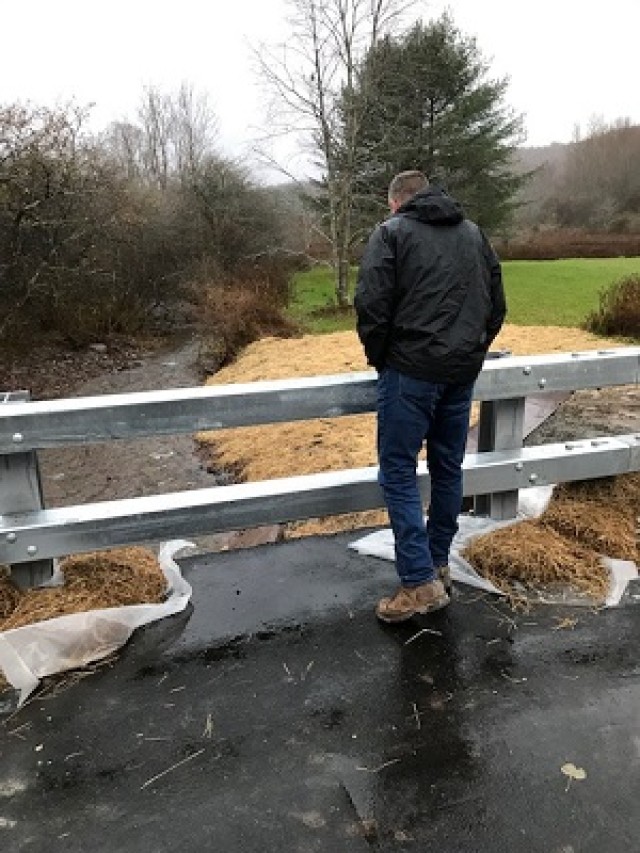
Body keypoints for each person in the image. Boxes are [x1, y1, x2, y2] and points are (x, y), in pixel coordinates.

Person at [354, 170, 506, 623]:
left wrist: (384, 358)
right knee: (446, 467)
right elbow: (496, 305)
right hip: (459, 373)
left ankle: (419, 582)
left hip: (411, 372)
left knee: (398, 471)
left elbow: (371, 304)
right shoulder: (473, 233)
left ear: (397, 202)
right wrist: (471, 351)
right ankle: (437, 563)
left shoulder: (392, 233)